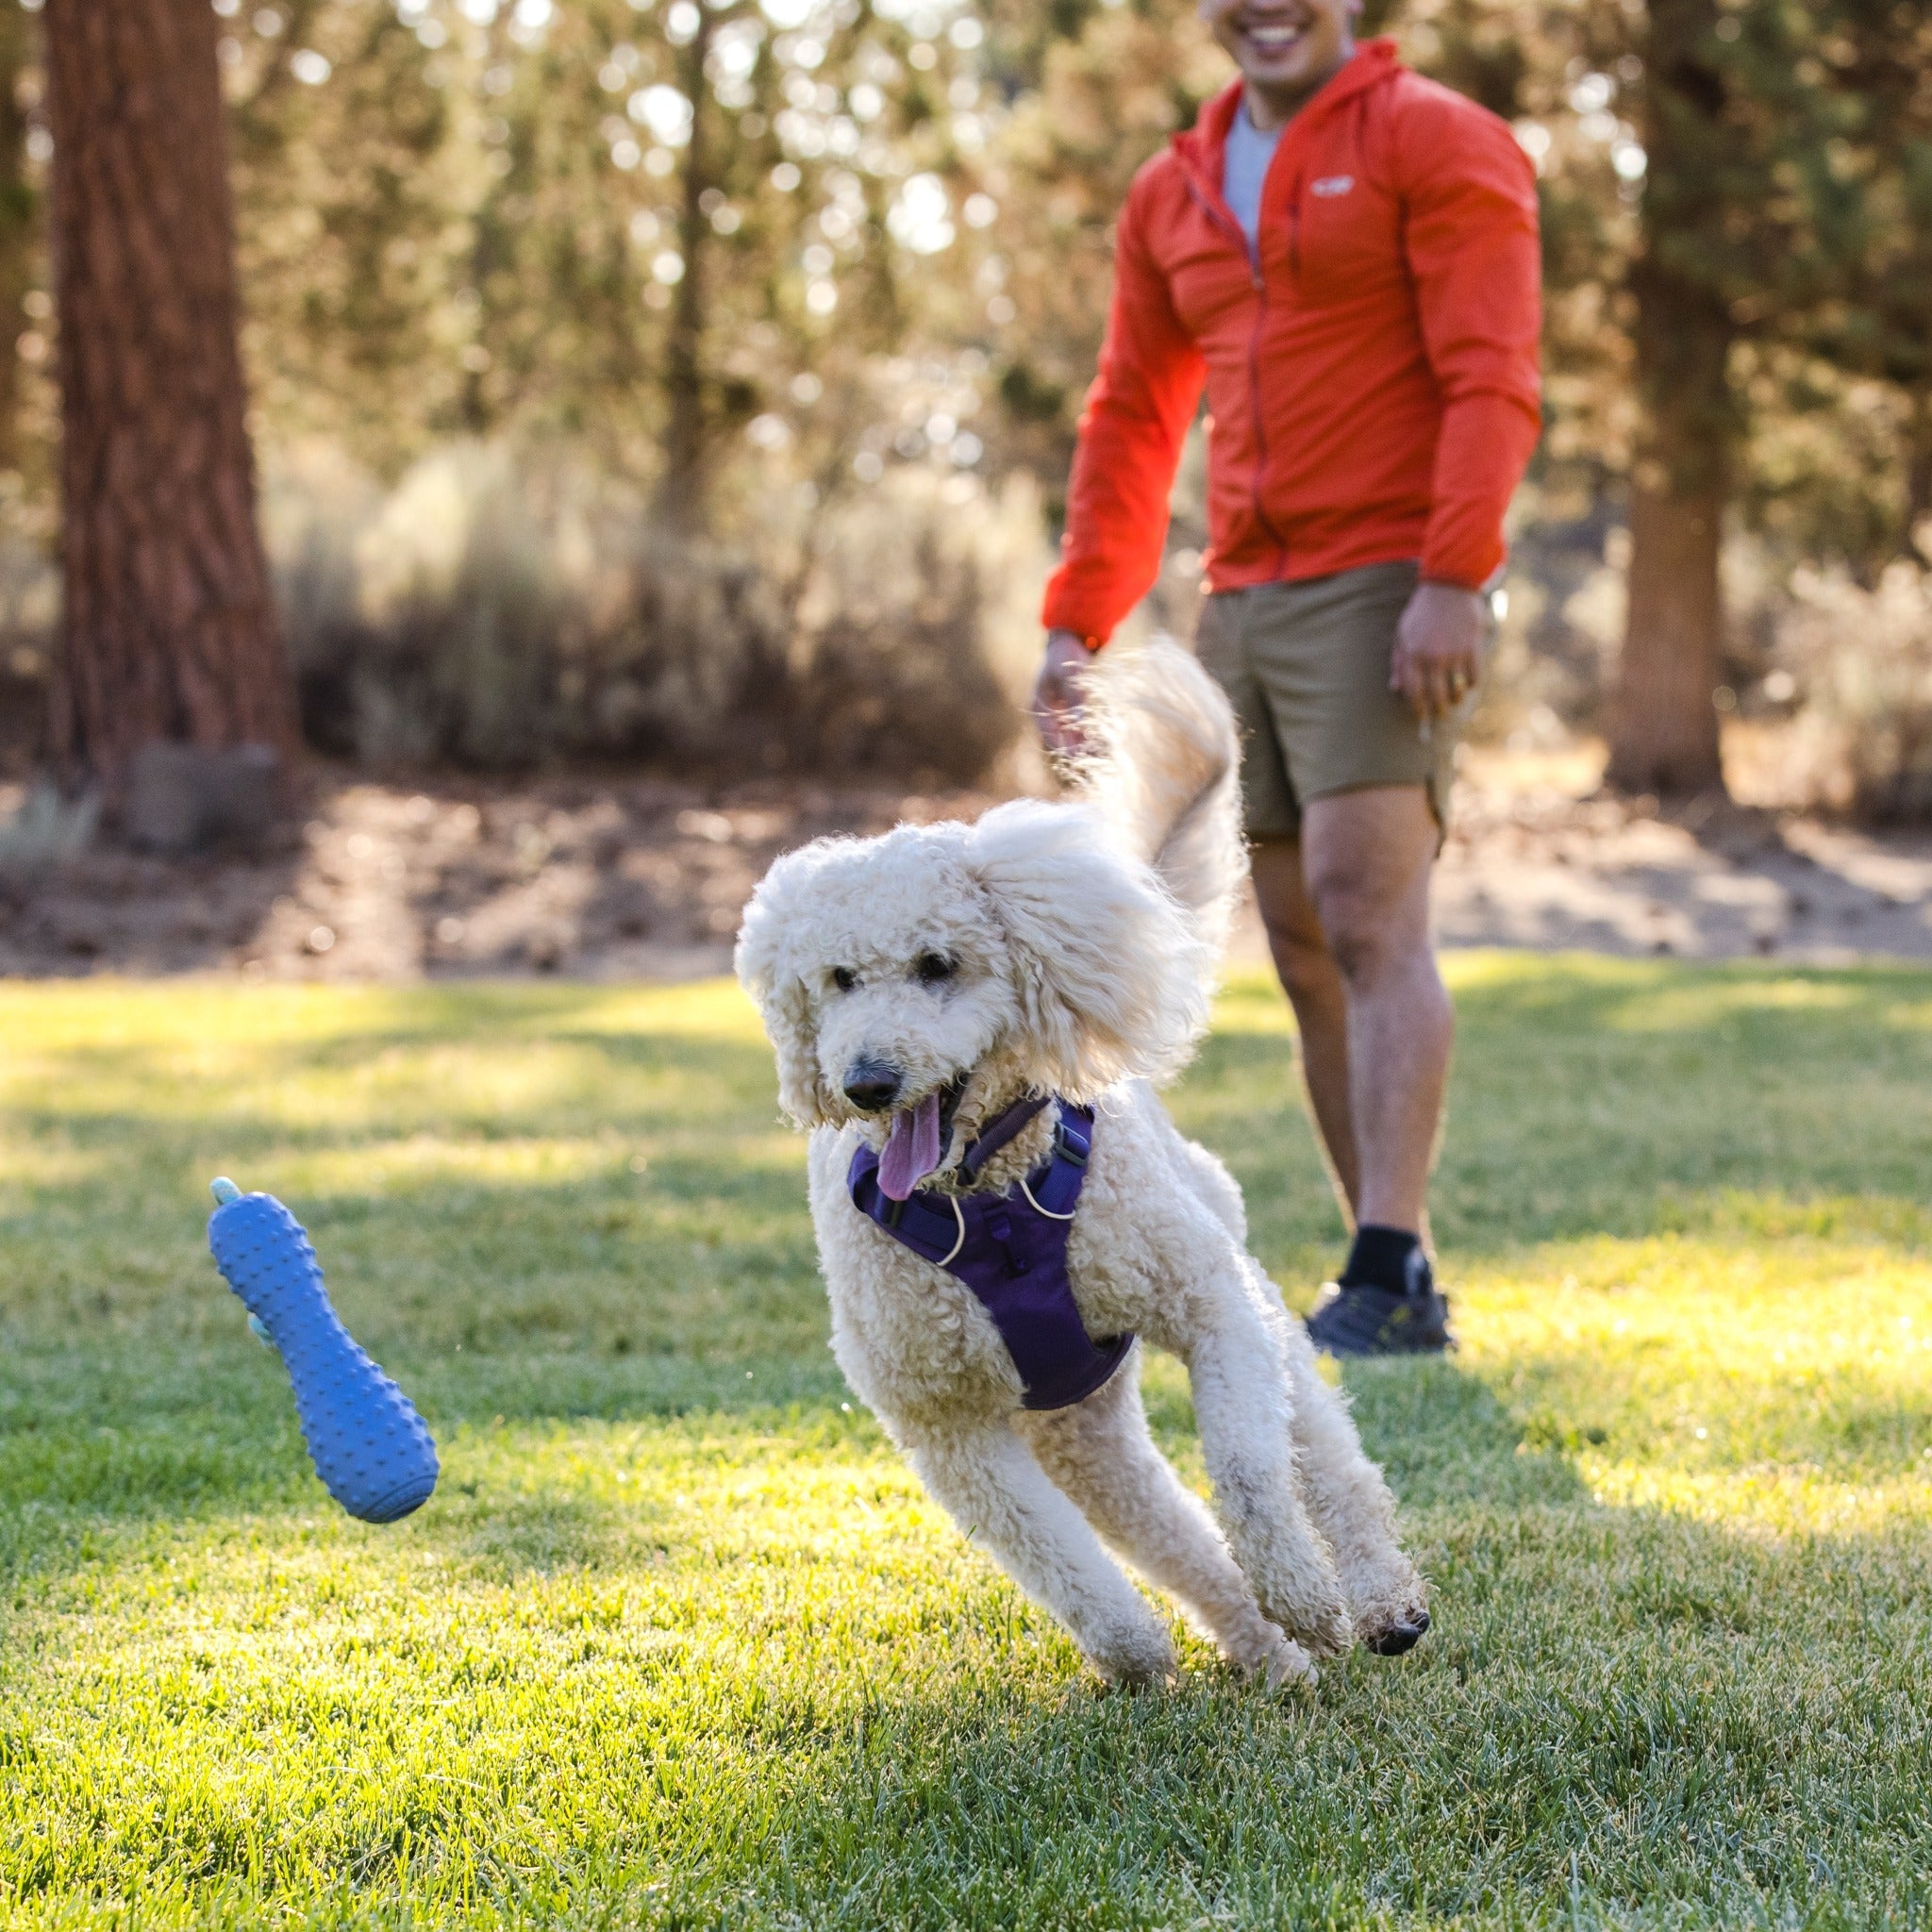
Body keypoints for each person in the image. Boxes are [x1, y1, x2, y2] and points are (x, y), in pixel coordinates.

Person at [1032, 0, 1541, 1356]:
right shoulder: (1175, 188)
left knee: (1372, 914)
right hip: (1240, 596)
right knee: (1301, 937)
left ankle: (1383, 1259)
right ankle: (1399, 1263)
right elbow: (1134, 412)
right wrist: (1078, 623)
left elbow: (1492, 374)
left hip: (1387, 577)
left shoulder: (1440, 142)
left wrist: (1452, 574)